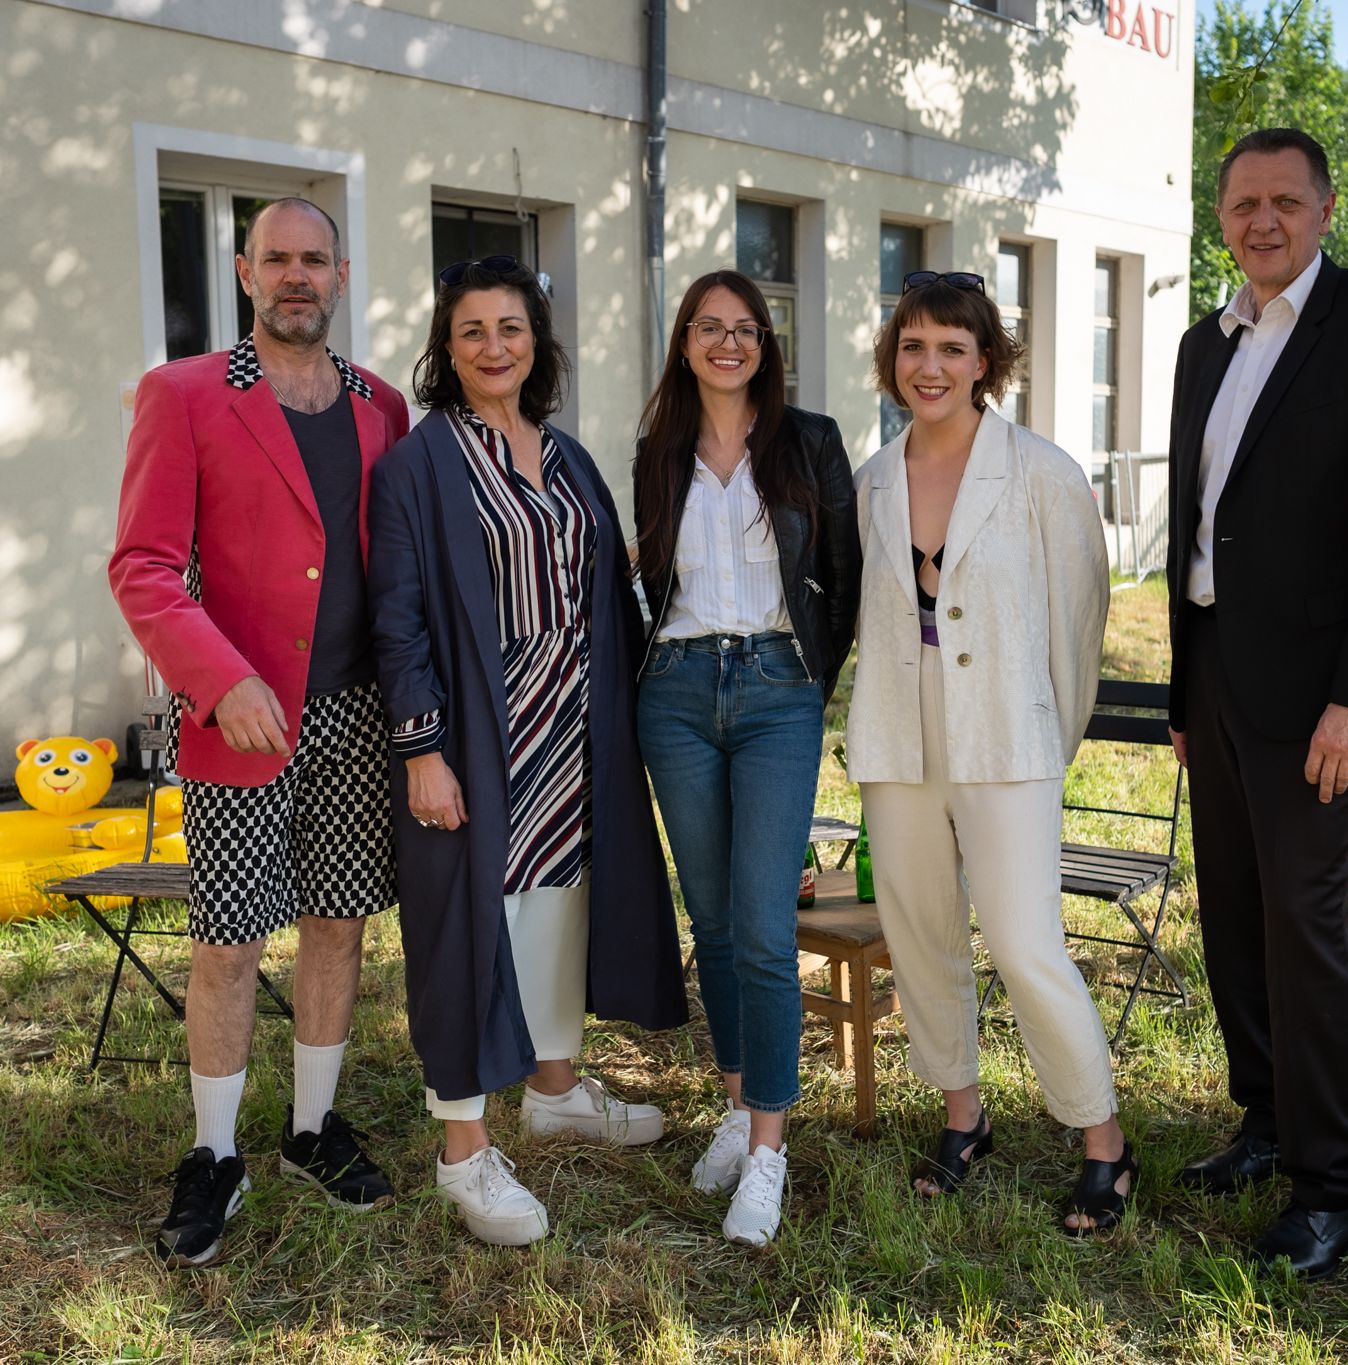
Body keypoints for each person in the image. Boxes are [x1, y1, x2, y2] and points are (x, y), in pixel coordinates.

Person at [1165, 128, 1348, 1278]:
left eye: (1285, 200)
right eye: (1243, 203)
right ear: (1219, 219)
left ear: (1325, 210)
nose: (1262, 221)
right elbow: (1195, 527)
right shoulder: (1202, 343)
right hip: (1217, 670)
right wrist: (1184, 691)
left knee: (1303, 919)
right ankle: (1266, 1121)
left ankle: (1332, 1183)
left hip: (1326, 689)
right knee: (1232, 913)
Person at [109, 198, 411, 1268]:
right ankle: (215, 1153)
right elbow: (142, 566)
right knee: (230, 941)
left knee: (338, 924)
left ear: (340, 275)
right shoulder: (185, 394)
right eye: (276, 258)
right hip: (242, 720)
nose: (295, 276)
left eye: (313, 259)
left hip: (357, 714)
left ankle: (312, 1129)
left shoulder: (381, 405)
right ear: (245, 272)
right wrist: (219, 677)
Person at [366, 255, 687, 1247]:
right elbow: (397, 620)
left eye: (510, 328)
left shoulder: (568, 455)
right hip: (479, 728)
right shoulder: (418, 467)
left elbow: (611, 586)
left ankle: (554, 1089)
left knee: (558, 904)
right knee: (469, 924)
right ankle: (463, 1148)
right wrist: (422, 749)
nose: (493, 346)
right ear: (446, 346)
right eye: (472, 330)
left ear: (536, 343)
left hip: (575, 727)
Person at [849, 270, 1135, 1237]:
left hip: (1010, 732)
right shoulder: (872, 479)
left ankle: (1103, 1137)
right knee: (922, 932)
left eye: (952, 348)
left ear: (986, 362)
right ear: (893, 359)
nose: (929, 366)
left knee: (1023, 941)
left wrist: (1048, 738)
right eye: (913, 346)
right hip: (900, 731)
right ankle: (963, 1115)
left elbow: (1079, 623)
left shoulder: (1043, 473)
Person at [631, 270, 861, 1246]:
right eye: (709, 328)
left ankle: (768, 1149)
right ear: (685, 343)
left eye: (745, 329)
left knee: (766, 929)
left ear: (765, 345)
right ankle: (736, 1106)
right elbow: (649, 579)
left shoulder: (809, 441)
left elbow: (844, 576)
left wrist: (808, 682)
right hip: (676, 693)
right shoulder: (657, 451)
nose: (728, 343)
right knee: (715, 924)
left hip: (776, 691)